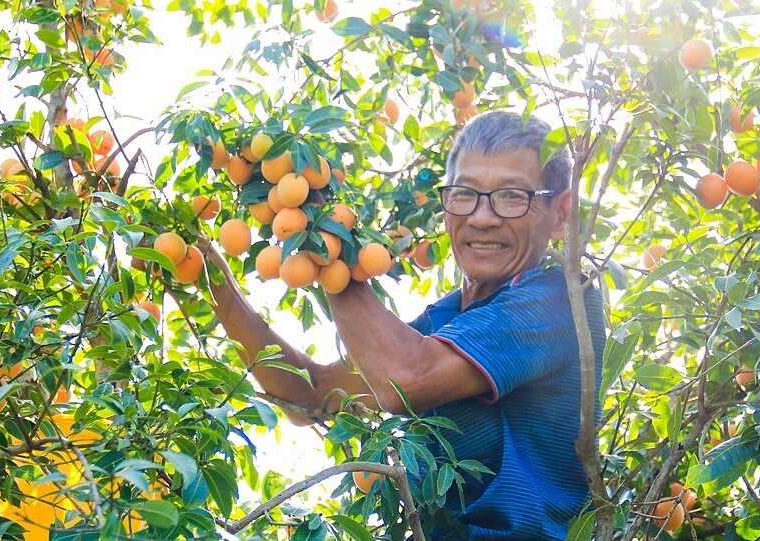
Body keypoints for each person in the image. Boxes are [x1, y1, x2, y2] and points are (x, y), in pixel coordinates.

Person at [200, 110, 607, 541]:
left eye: (511, 197)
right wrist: (215, 282)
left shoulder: (562, 300)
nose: (482, 217)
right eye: (465, 194)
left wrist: (325, 240)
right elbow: (314, 393)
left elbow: (407, 379)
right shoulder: (443, 322)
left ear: (560, 213)